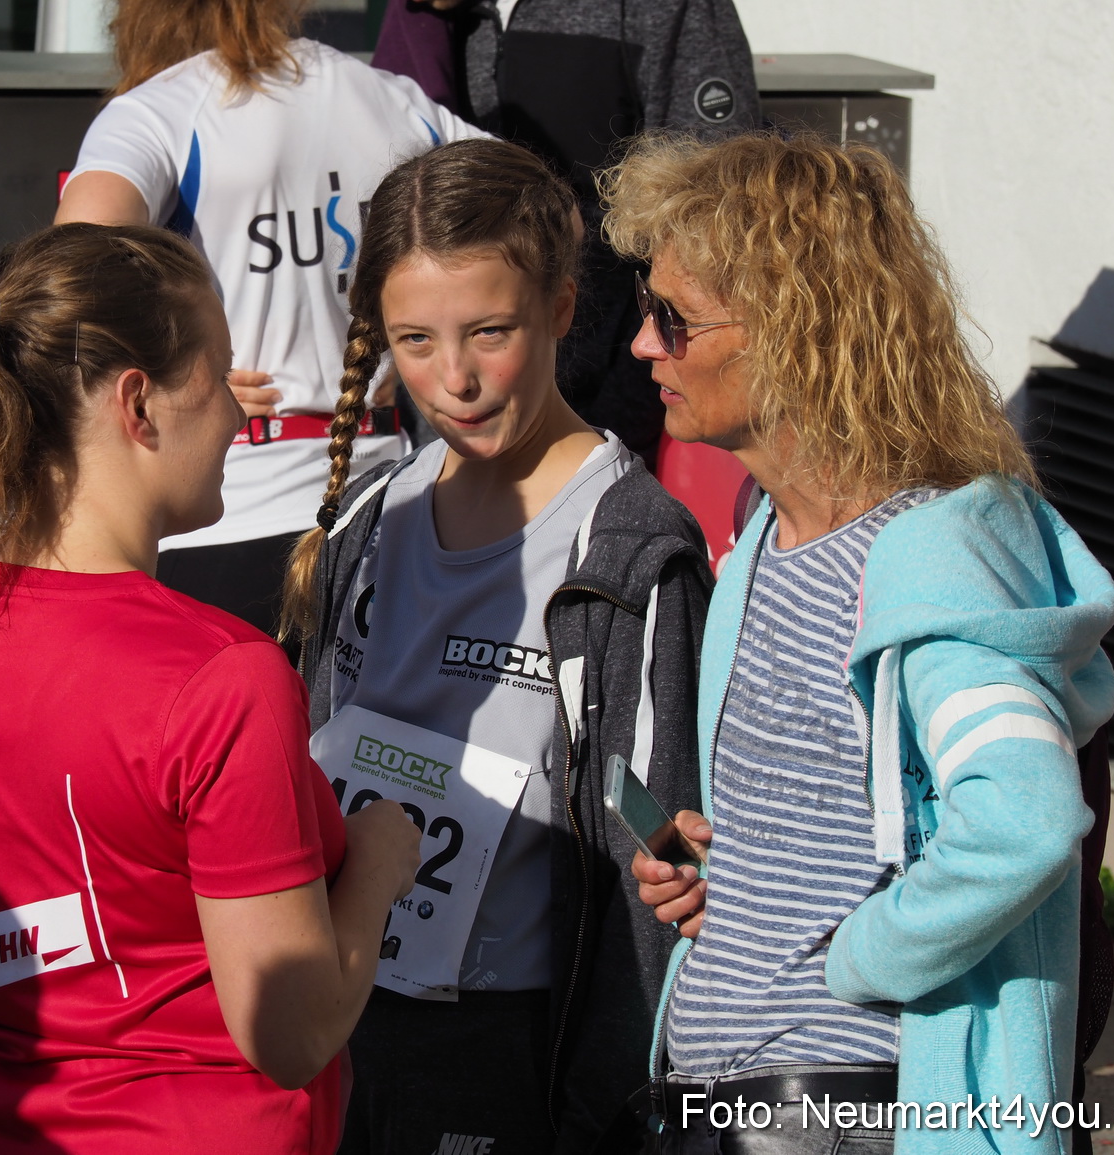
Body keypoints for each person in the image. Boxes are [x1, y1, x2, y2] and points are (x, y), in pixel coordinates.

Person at [0, 221, 424, 1155]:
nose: (238, 417)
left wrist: (81, 936)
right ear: (137, 403)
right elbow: (292, 1032)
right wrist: (377, 862)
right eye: (217, 376)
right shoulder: (221, 675)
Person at [607, 133, 1114, 1154]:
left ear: (794, 330)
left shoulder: (926, 555)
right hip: (726, 1100)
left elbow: (1023, 819)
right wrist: (738, 882)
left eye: (674, 318)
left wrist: (859, 958)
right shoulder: (767, 533)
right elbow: (852, 827)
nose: (641, 346)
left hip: (836, 1113)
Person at [281, 138, 711, 1154]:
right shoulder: (369, 519)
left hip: (510, 1047)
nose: (457, 379)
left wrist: (615, 1105)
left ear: (560, 309)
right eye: (416, 341)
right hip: (341, 1017)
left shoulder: (629, 546)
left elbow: (655, 834)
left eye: (489, 332)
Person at [54, 0, 481, 636]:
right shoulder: (387, 96)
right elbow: (544, 210)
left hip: (222, 516)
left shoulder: (161, 107)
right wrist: (422, 344)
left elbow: (71, 265)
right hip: (388, 513)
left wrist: (181, 379)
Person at [372, 0, 760, 465]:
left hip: (609, 413)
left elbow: (712, 219)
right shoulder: (428, 15)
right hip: (454, 434)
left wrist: (631, 395)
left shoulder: (665, 9)